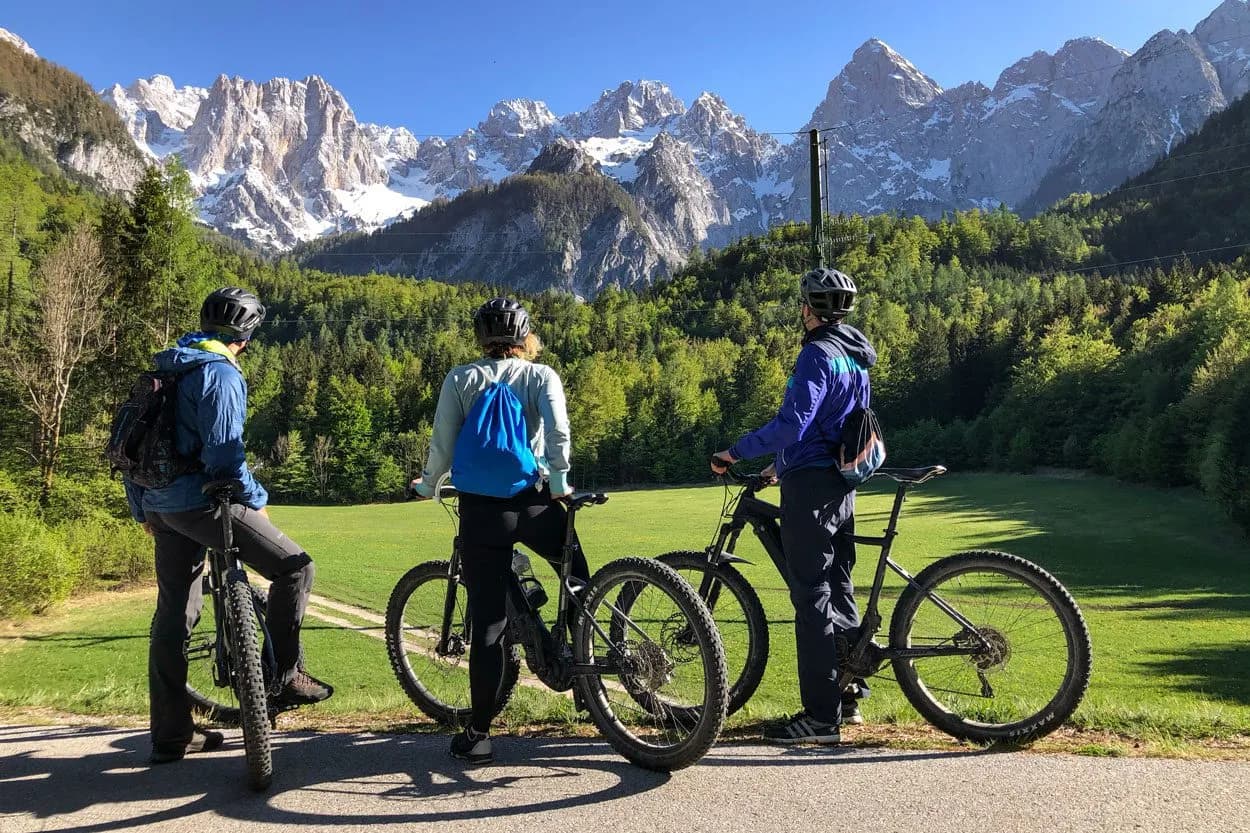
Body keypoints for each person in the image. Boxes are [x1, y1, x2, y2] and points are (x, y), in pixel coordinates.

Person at [124, 287, 333, 765]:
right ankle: (284, 676)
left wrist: (144, 509)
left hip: (159, 505)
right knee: (296, 569)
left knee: (174, 615)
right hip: (204, 504)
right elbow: (224, 456)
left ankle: (170, 735)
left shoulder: (165, 367)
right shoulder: (219, 374)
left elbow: (130, 446)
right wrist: (257, 500)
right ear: (247, 335)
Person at [411, 297, 581, 765]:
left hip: (482, 511)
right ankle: (584, 677)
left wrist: (429, 485)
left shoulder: (460, 378)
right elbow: (558, 431)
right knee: (579, 581)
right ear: (526, 337)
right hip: (537, 501)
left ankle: (480, 733)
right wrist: (562, 483)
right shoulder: (540, 376)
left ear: (480, 340)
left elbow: (442, 444)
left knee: (487, 623)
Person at [711, 267, 876, 744]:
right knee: (838, 585)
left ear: (808, 309)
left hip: (811, 488)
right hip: (842, 483)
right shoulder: (854, 357)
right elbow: (835, 425)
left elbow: (794, 424)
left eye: (802, 304)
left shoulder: (815, 354)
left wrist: (733, 452)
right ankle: (847, 695)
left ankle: (821, 720)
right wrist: (777, 469)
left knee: (810, 597)